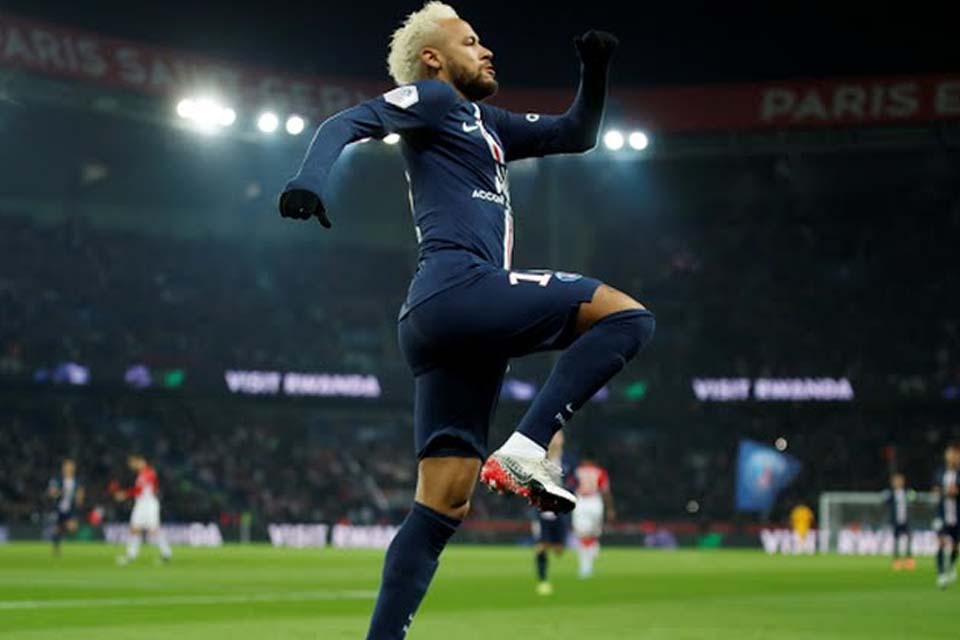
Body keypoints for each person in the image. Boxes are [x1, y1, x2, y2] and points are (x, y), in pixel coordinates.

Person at [279, 3, 654, 637]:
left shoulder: (489, 123)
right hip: (458, 288)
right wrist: (309, 180)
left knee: (441, 506)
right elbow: (347, 121)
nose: (487, 51)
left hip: (448, 325)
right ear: (433, 58)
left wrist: (595, 69)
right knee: (628, 318)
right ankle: (528, 448)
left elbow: (577, 133)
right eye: (471, 41)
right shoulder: (432, 99)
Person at [531, 432, 574, 595]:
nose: (555, 438)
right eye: (553, 435)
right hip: (542, 509)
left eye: (558, 435)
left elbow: (574, 482)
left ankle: (556, 544)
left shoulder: (568, 460)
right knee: (541, 546)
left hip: (560, 510)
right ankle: (542, 580)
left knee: (558, 550)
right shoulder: (539, 459)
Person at [113, 454, 172, 565]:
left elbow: (140, 489)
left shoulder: (148, 473)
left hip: (149, 504)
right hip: (141, 503)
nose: (133, 465)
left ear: (142, 461)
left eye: (135, 462)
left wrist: (125, 494)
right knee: (135, 529)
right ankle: (131, 555)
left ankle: (166, 553)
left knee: (153, 530)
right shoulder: (142, 474)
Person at [571, 453, 614, 579]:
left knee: (584, 535)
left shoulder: (577, 471)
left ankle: (586, 565)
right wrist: (610, 508)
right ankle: (588, 560)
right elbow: (606, 492)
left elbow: (570, 486)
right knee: (591, 534)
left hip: (582, 501)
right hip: (595, 501)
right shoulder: (600, 472)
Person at [46, 458, 84, 555]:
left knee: (72, 528)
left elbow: (80, 493)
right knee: (57, 529)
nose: (69, 468)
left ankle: (61, 528)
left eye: (71, 466)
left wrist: (79, 499)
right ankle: (56, 547)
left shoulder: (77, 481)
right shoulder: (57, 480)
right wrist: (60, 493)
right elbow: (51, 493)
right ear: (63, 468)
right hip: (58, 508)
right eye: (67, 466)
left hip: (71, 508)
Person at [934, 444, 959, 589]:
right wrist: (944, 491)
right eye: (950, 454)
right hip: (941, 514)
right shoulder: (940, 472)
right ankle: (941, 574)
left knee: (955, 546)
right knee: (941, 542)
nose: (952, 457)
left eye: (955, 455)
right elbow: (936, 489)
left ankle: (951, 565)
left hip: (957, 516)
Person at [882, 472, 915, 571]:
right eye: (896, 481)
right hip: (895, 520)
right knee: (896, 540)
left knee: (909, 538)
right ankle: (896, 560)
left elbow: (914, 498)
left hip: (905, 519)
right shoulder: (891, 493)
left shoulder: (907, 492)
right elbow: (885, 502)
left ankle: (909, 559)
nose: (898, 483)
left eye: (900, 481)